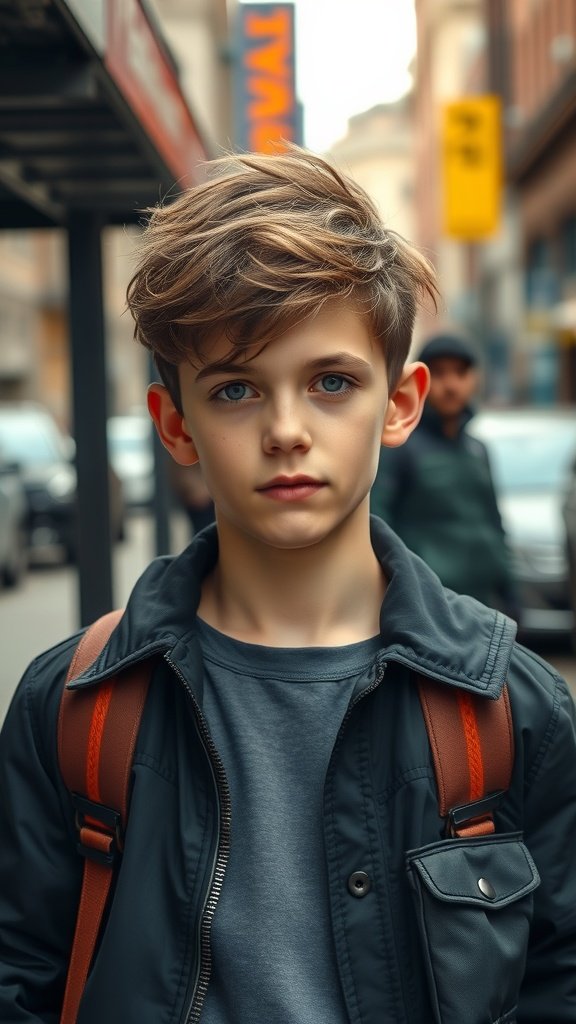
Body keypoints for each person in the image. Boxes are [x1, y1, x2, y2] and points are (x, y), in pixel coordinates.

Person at [1, 148, 575, 1024]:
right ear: (175, 424)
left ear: (400, 403)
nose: (286, 431)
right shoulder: (74, 706)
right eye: (234, 389)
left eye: (331, 382)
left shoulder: (510, 712)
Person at [371, 331, 516, 610]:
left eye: (460, 373)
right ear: (421, 383)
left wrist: (510, 590)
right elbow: (378, 525)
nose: (451, 384)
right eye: (439, 373)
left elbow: (494, 524)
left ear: (473, 379)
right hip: (429, 603)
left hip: (482, 603)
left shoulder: (477, 450)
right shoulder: (399, 447)